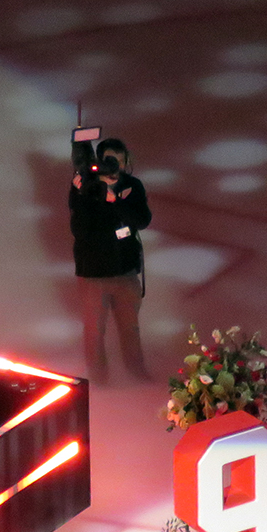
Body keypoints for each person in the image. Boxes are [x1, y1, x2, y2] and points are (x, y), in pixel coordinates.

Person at [69, 137, 152, 383]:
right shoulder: (86, 186)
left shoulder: (132, 185)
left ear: (126, 162)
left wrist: (115, 201)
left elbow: (142, 220)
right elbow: (79, 230)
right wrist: (83, 194)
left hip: (126, 270)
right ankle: (98, 378)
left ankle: (136, 371)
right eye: (109, 160)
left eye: (119, 161)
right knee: (94, 330)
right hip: (93, 273)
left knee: (130, 327)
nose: (114, 166)